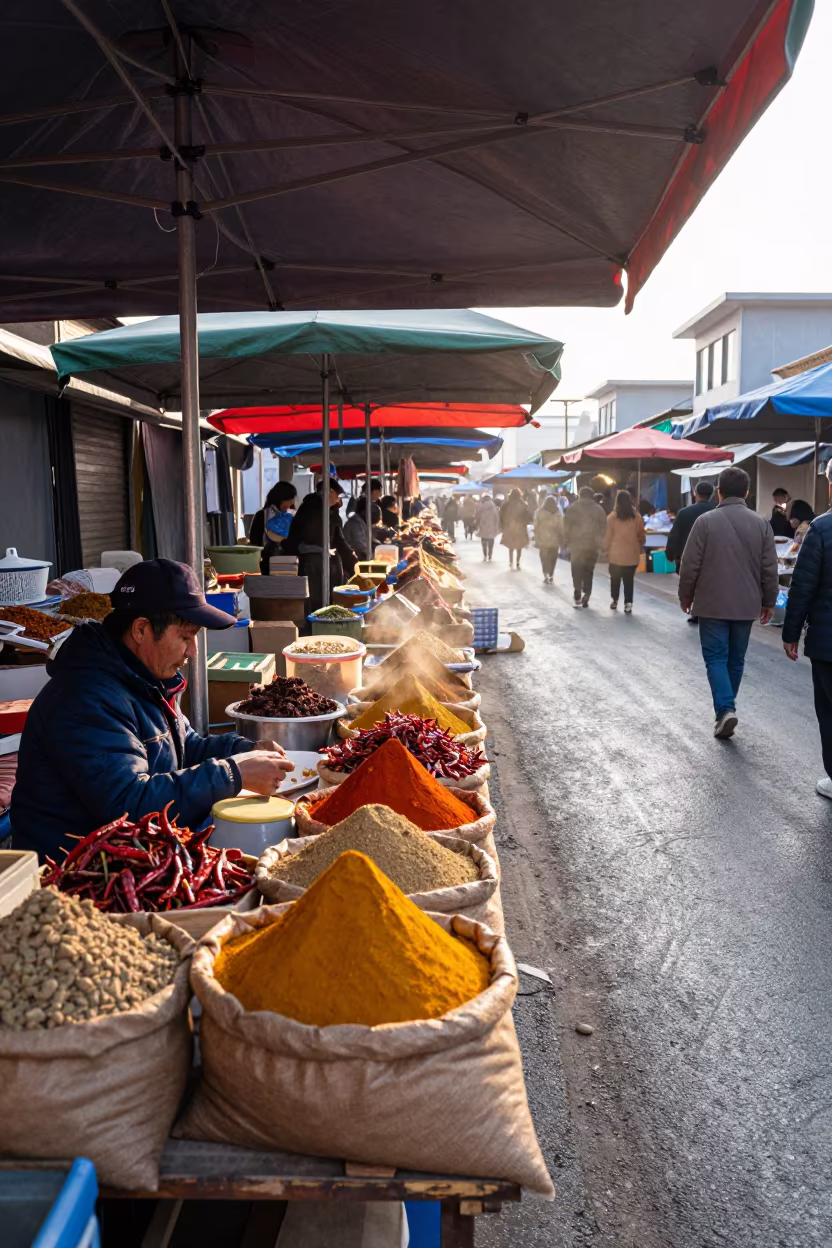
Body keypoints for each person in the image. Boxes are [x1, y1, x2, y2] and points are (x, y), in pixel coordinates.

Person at [10, 559, 294, 863]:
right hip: (74, 875)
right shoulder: (85, 697)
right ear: (141, 630)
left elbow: (186, 747)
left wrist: (244, 750)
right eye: (185, 637)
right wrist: (232, 774)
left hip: (132, 857)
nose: (193, 652)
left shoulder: (145, 678)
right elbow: (127, 804)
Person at [678, 466, 778, 740]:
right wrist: (769, 601)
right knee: (735, 659)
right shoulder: (761, 524)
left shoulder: (705, 522)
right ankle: (725, 710)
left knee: (715, 658)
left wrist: (685, 595)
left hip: (711, 602)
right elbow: (770, 568)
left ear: (719, 491)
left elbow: (690, 565)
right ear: (747, 492)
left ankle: (724, 709)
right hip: (746, 604)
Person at [782, 470, 832, 797]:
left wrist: (790, 631)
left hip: (828, 641)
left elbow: (802, 585)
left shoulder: (822, 528)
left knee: (829, 709)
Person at [284, 478, 356, 615]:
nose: (337, 500)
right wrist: (352, 562)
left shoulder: (308, 505)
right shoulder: (321, 510)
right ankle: (318, 627)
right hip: (314, 563)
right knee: (318, 603)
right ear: (330, 492)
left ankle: (314, 624)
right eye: (337, 495)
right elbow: (337, 540)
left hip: (305, 561)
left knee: (311, 602)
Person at [665, 480, 717, 623]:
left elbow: (674, 535)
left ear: (696, 494)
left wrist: (670, 553)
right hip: (713, 555)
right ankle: (707, 611)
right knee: (709, 583)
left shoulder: (684, 513)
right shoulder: (718, 512)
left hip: (688, 556)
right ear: (712, 494)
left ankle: (696, 611)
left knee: (692, 582)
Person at [563, 487, 607, 607]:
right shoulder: (599, 509)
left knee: (576, 569)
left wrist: (566, 541)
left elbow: (566, 526)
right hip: (592, 546)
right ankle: (587, 594)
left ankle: (577, 592)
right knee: (589, 571)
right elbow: (604, 527)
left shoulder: (572, 507)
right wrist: (600, 541)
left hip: (576, 545)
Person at [604, 490, 646, 613]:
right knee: (629, 580)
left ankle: (614, 600)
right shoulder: (636, 516)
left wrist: (605, 549)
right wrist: (640, 544)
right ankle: (628, 603)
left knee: (615, 579)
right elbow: (641, 534)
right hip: (632, 555)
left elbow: (608, 536)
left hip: (615, 556)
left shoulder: (611, 517)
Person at [249, 480, 298, 574]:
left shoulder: (292, 516)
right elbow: (255, 540)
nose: (291, 503)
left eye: (292, 500)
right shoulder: (262, 516)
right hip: (266, 564)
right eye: (288, 499)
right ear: (279, 498)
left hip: (289, 563)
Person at [534, 495, 564, 584]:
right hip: (555, 540)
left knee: (544, 558)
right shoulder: (558, 512)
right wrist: (562, 537)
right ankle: (551, 573)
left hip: (543, 539)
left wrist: (536, 535)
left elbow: (536, 525)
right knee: (553, 558)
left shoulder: (539, 512)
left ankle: (546, 573)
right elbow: (561, 527)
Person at [500, 488, 532, 570]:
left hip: (509, 527)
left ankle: (511, 561)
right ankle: (517, 562)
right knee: (519, 546)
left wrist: (503, 525)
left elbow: (501, 514)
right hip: (520, 527)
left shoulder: (506, 504)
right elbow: (528, 515)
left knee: (511, 546)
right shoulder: (523, 504)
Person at [476, 494, 500, 561]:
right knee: (491, 541)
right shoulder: (493, 506)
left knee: (484, 540)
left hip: (483, 525)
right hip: (491, 526)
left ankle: (485, 554)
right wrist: (497, 525)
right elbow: (496, 517)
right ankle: (490, 555)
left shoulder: (481, 506)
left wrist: (477, 523)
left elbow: (478, 515)